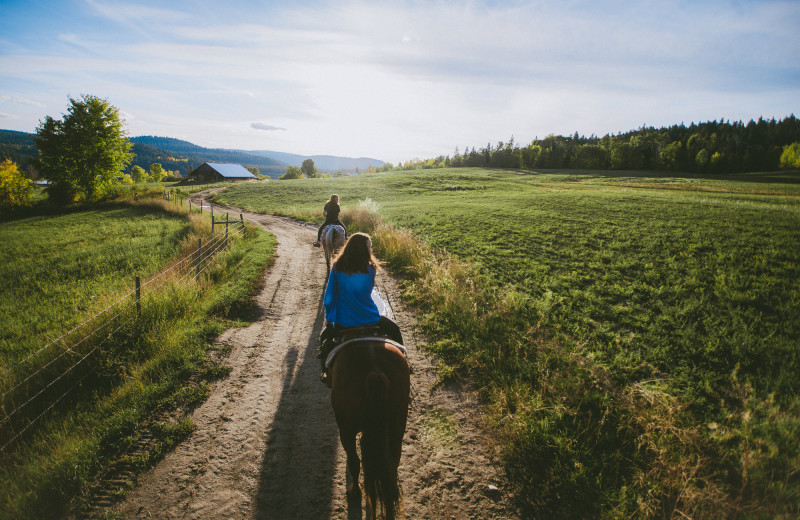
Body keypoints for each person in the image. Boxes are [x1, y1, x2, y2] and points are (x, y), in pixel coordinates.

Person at [319, 233, 403, 382]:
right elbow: (366, 292)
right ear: (362, 249)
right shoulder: (370, 268)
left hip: (343, 321)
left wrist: (329, 317)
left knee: (324, 338)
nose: (371, 249)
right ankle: (405, 364)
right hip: (370, 318)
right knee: (395, 330)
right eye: (369, 246)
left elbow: (330, 297)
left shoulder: (337, 267)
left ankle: (325, 372)